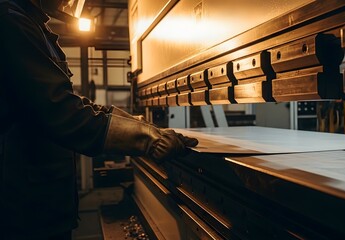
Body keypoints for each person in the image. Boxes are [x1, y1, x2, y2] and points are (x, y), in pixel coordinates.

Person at [0, 0, 198, 239]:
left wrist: (142, 126)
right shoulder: (10, 20)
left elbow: (71, 101)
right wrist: (147, 139)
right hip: (23, 209)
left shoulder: (32, 24)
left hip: (40, 200)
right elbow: (59, 110)